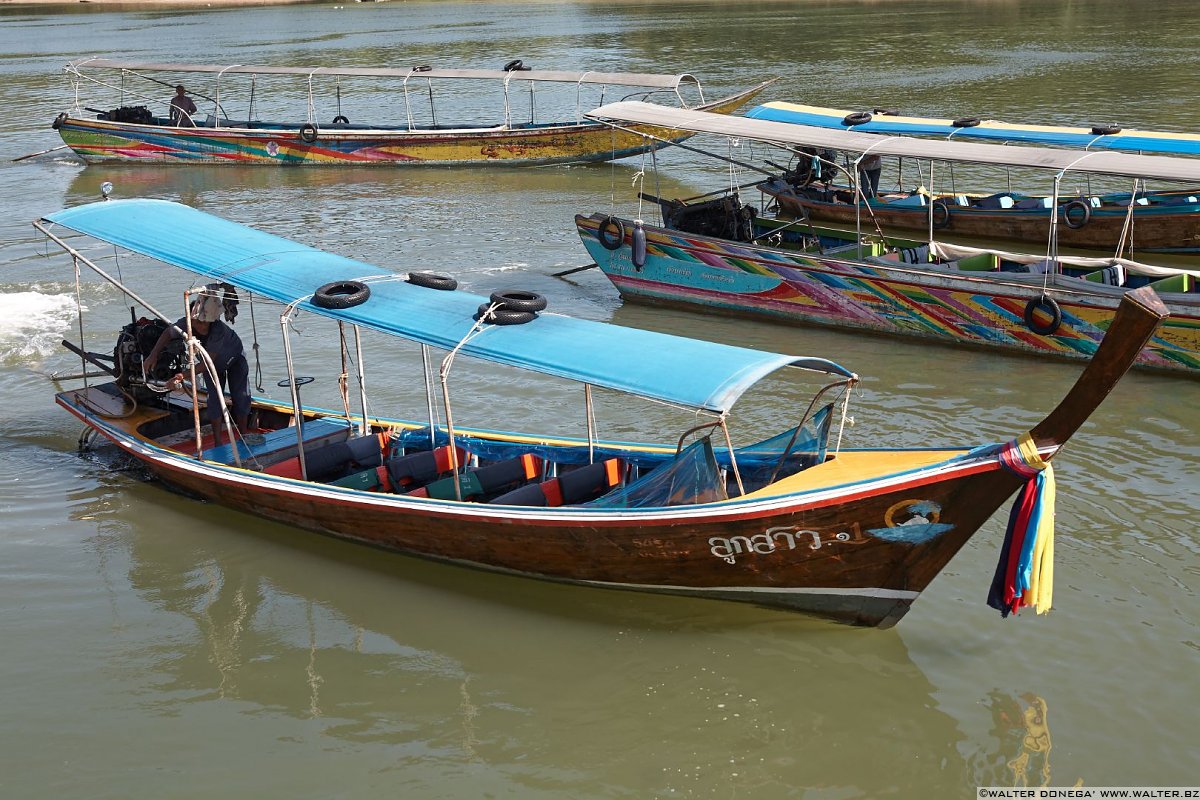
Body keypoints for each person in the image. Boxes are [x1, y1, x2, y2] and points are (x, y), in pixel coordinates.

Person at [146, 285, 250, 446]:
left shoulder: (218, 330)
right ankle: (217, 442)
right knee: (214, 398)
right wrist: (153, 354)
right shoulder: (184, 324)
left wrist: (182, 376)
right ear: (192, 319)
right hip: (210, 364)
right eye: (199, 323)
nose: (203, 327)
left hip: (233, 357)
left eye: (206, 323)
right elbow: (168, 333)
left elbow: (207, 363)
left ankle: (244, 436)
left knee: (240, 395)